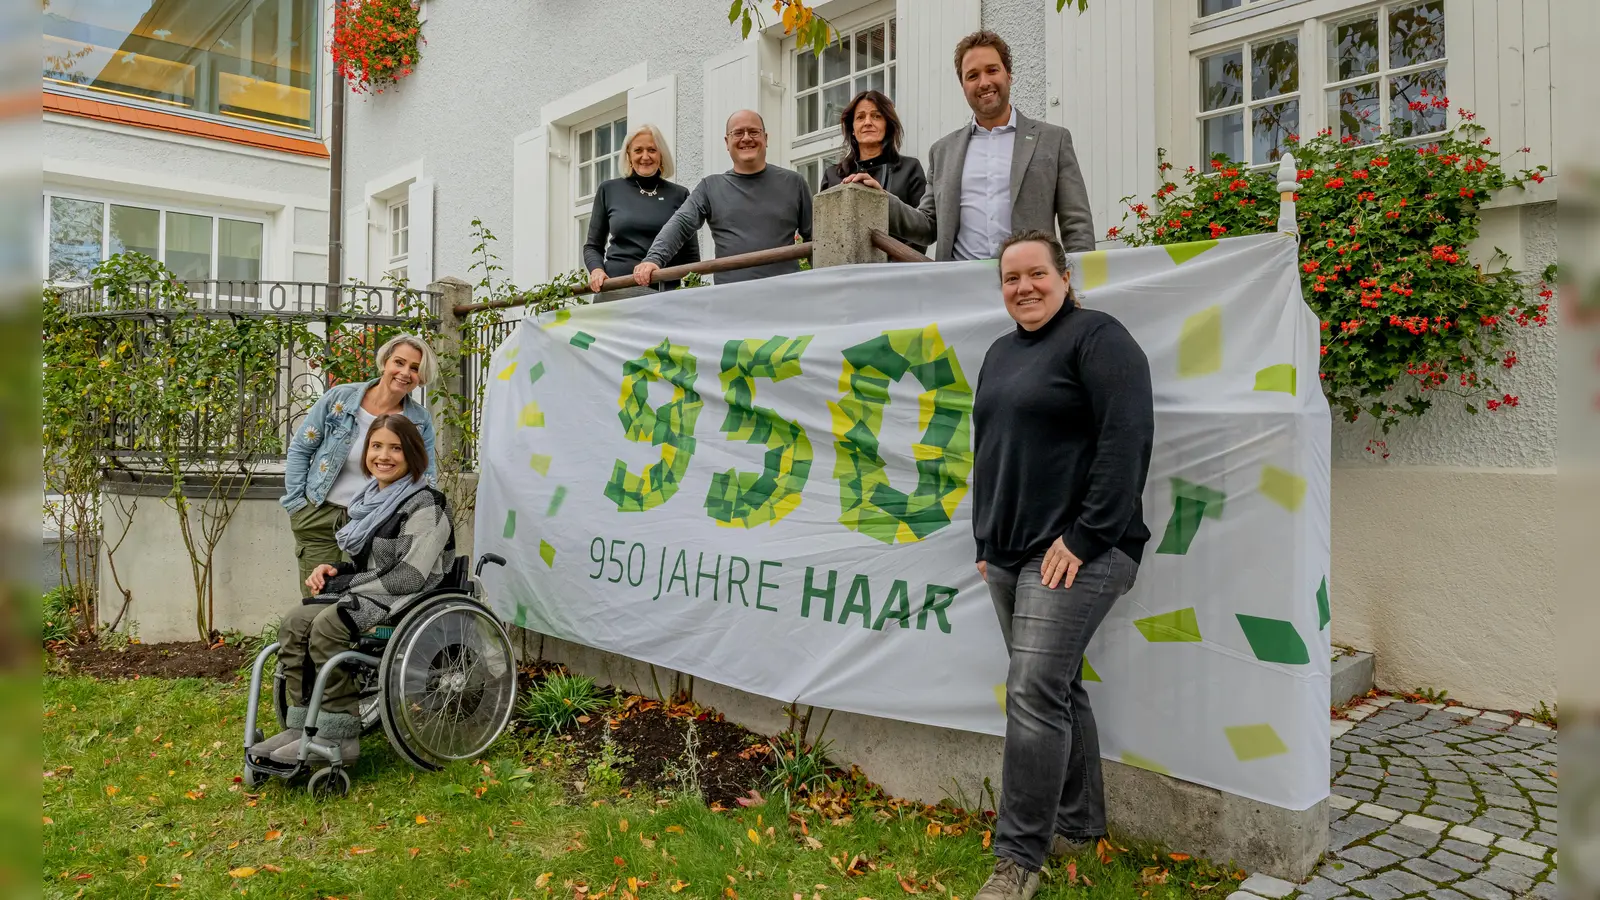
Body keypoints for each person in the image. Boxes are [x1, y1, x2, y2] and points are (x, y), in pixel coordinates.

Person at [969, 230, 1153, 900]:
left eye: (1036, 274)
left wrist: (1082, 538)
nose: (1024, 287)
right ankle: (1078, 824)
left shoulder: (1099, 339)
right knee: (1057, 687)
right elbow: (990, 449)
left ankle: (1018, 859)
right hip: (1011, 552)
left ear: (1064, 276)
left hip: (1083, 549)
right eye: (1011, 278)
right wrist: (986, 542)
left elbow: (1127, 442)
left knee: (1032, 691)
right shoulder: (998, 353)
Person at [250, 414, 456, 765]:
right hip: (371, 593)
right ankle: (302, 724)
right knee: (297, 621)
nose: (383, 456)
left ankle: (340, 736)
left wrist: (345, 583)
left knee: (330, 624)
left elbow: (409, 575)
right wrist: (335, 569)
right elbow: (368, 566)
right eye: (376, 446)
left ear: (411, 455)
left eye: (395, 448)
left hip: (409, 601)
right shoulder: (367, 503)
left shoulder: (426, 503)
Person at [844, 31, 1094, 260]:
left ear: (1009, 75)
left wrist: (1080, 287)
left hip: (1031, 288)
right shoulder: (943, 152)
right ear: (963, 85)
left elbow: (1077, 226)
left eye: (992, 70)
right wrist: (881, 200)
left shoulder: (1052, 140)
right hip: (960, 290)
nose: (983, 82)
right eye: (972, 75)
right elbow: (928, 226)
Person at [281, 334, 438, 586]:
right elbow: (301, 448)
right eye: (399, 362)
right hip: (320, 515)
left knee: (358, 603)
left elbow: (426, 474)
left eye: (415, 368)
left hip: (375, 523)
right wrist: (296, 504)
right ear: (385, 362)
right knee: (317, 599)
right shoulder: (340, 399)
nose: (405, 372)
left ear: (421, 378)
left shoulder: (417, 421)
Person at [633, 109, 812, 286]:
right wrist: (654, 259)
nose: (747, 138)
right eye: (738, 133)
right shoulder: (710, 187)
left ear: (766, 138)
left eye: (754, 132)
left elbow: (816, 238)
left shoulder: (794, 183)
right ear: (727, 142)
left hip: (785, 297)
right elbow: (680, 224)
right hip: (731, 301)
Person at [583, 124, 700, 296]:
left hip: (664, 293)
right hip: (617, 290)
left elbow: (690, 256)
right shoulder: (609, 190)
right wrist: (597, 270)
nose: (645, 156)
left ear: (661, 154)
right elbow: (592, 246)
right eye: (638, 150)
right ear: (628, 155)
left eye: (652, 150)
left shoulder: (679, 194)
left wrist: (693, 296)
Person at [820, 90, 928, 254]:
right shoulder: (833, 176)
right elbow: (823, 233)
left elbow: (922, 231)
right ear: (853, 129)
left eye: (876, 116)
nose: (868, 122)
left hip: (897, 273)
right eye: (860, 117)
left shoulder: (909, 169)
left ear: (887, 125)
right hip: (845, 274)